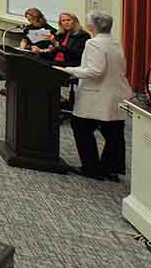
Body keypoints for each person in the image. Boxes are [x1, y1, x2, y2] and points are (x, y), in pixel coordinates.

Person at [54, 11, 132, 181]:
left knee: (81, 126)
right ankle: (110, 168)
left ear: (91, 26)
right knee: (113, 131)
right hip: (116, 91)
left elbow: (95, 71)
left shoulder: (93, 43)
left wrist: (69, 71)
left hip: (97, 94)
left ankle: (91, 168)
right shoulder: (115, 41)